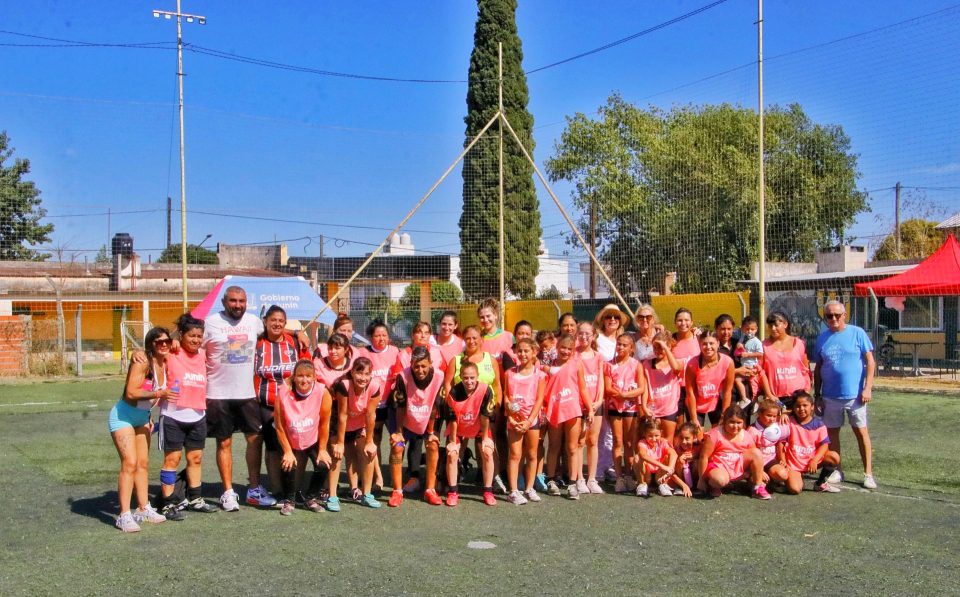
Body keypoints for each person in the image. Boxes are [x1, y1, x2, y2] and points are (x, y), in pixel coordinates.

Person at [202, 286, 267, 511]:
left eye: (241, 301)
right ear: (223, 301)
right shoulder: (209, 323)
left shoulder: (254, 322)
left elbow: (272, 331)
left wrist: (297, 334)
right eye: (233, 301)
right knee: (225, 442)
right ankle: (228, 492)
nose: (237, 305)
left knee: (254, 439)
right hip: (218, 394)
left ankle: (254, 489)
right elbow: (188, 344)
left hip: (246, 393)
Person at [109, 326, 174, 532]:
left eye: (167, 341)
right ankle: (124, 515)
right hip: (123, 417)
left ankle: (143, 508)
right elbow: (130, 392)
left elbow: (183, 341)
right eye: (158, 342)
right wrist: (159, 393)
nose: (164, 345)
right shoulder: (143, 361)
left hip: (143, 418)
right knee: (130, 463)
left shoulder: (166, 360)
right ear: (150, 345)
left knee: (143, 464)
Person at [157, 315, 218, 520]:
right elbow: (151, 348)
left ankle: (195, 499)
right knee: (172, 459)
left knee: (196, 458)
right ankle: (167, 503)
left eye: (199, 336)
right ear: (182, 335)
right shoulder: (171, 353)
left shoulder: (203, 355)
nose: (196, 340)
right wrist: (172, 339)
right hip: (173, 415)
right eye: (191, 336)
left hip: (197, 414)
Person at [813, 300, 877, 490]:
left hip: (855, 396)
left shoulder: (857, 333)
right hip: (830, 396)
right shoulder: (822, 338)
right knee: (832, 435)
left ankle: (868, 474)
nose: (833, 319)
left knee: (861, 433)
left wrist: (868, 388)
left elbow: (870, 362)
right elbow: (818, 368)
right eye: (829, 316)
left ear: (844, 315)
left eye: (836, 315)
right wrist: (817, 394)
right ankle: (837, 470)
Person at [252, 305, 311, 509]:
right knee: (273, 448)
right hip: (266, 405)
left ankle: (295, 489)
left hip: (294, 405)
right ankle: (277, 490)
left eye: (281, 321)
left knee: (298, 447)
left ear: (285, 324)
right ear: (266, 321)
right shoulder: (257, 343)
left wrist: (296, 333)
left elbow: (306, 369)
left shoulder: (294, 342)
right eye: (273, 320)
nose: (277, 324)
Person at [443, 324, 504, 492]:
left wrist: (496, 409)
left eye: (474, 338)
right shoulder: (456, 360)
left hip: (484, 412)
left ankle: (492, 481)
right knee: (457, 446)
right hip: (461, 413)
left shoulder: (490, 360)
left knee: (485, 446)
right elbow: (448, 384)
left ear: (481, 340)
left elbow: (497, 386)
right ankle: (453, 483)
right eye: (468, 338)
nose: (471, 341)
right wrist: (453, 406)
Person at [274, 360, 334, 515]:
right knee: (288, 463)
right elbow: (279, 426)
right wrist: (287, 451)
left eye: (308, 376)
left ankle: (310, 498)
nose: (304, 380)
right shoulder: (283, 392)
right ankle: (289, 500)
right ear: (294, 377)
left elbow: (324, 424)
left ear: (314, 377)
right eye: (300, 375)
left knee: (324, 464)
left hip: (312, 438)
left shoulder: (323, 392)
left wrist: (322, 449)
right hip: (290, 438)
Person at [387, 346, 445, 507]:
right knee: (397, 447)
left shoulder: (439, 376)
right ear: (411, 363)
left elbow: (435, 406)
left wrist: (432, 432)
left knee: (433, 445)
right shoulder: (402, 377)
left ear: (431, 363)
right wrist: (398, 432)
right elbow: (399, 406)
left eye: (424, 366)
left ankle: (430, 490)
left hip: (427, 418)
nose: (420, 370)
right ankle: (397, 491)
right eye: (416, 366)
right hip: (404, 418)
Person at [331, 357, 382, 508]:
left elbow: (370, 415)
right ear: (352, 372)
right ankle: (332, 496)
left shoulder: (374, 386)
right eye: (359, 373)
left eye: (367, 374)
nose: (363, 378)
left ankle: (366, 494)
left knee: (369, 452)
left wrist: (370, 441)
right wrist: (340, 443)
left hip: (359, 424)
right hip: (338, 422)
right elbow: (342, 415)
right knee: (337, 454)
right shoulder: (344, 385)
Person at [444, 361, 497, 506]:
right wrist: (453, 442)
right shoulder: (454, 392)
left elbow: (486, 416)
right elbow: (452, 419)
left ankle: (488, 491)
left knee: (487, 452)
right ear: (460, 376)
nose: (469, 381)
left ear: (478, 376)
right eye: (466, 378)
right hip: (459, 427)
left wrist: (486, 438)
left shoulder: (486, 390)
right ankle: (453, 491)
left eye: (472, 378)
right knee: (452, 454)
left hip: (479, 426)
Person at [503, 338, 547, 505]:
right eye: (519, 351)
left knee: (532, 454)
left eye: (526, 351)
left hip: (532, 421)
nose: (522, 354)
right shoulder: (510, 374)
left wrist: (529, 421)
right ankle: (513, 491)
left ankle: (529, 488)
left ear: (534, 352)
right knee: (515, 455)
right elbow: (507, 396)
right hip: (514, 422)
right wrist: (512, 417)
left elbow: (539, 399)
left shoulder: (540, 375)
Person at [358, 319, 399, 492]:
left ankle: (395, 475)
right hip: (371, 407)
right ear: (370, 337)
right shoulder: (362, 352)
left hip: (391, 407)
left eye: (384, 335)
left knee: (397, 443)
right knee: (373, 441)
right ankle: (378, 477)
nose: (381, 339)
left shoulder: (396, 351)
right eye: (377, 335)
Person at [543, 334, 586, 500]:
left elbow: (582, 389)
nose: (566, 351)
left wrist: (589, 408)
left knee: (572, 447)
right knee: (554, 445)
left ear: (573, 350)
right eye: (563, 347)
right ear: (557, 347)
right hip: (555, 410)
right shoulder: (548, 367)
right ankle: (551, 480)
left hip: (573, 410)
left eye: (569, 349)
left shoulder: (577, 365)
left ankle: (573, 483)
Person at [698, 405, 771, 500]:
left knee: (756, 453)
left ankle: (757, 488)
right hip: (720, 466)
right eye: (731, 422)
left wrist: (760, 472)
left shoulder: (746, 435)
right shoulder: (715, 434)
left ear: (743, 422)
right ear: (724, 421)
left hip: (739, 465)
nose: (735, 426)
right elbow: (704, 457)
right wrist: (701, 479)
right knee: (719, 480)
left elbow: (755, 455)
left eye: (739, 422)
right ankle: (714, 485)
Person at [605, 334, 646, 493]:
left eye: (624, 345)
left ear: (631, 348)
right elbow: (608, 388)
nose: (620, 347)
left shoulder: (636, 365)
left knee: (630, 443)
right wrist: (619, 395)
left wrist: (626, 396)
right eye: (619, 344)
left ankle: (629, 476)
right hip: (615, 407)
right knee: (617, 442)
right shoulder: (608, 365)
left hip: (630, 408)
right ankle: (619, 478)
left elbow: (641, 388)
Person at [780, 391, 841, 494]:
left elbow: (824, 445)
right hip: (794, 465)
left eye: (805, 405)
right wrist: (783, 460)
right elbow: (781, 443)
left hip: (811, 462)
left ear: (812, 407)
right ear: (793, 408)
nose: (801, 409)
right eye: (798, 406)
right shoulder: (788, 422)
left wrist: (814, 460)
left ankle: (820, 483)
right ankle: (787, 479)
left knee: (834, 457)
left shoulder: (819, 425)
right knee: (795, 489)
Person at [575, 321, 605, 494]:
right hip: (579, 405)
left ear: (593, 336)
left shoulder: (598, 356)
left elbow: (600, 379)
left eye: (588, 333)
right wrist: (586, 404)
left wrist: (599, 400)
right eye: (581, 333)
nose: (584, 337)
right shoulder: (573, 355)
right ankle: (579, 478)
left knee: (592, 441)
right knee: (580, 441)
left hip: (596, 404)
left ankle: (591, 478)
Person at [684, 331, 735, 433]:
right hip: (697, 405)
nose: (708, 347)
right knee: (697, 436)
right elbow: (690, 393)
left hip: (716, 404)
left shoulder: (728, 362)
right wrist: (694, 419)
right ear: (700, 345)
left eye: (711, 343)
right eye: (704, 344)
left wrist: (724, 415)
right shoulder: (692, 364)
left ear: (718, 343)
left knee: (717, 434)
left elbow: (727, 391)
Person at [761, 311, 811, 411]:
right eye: (770, 326)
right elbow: (761, 373)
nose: (773, 329)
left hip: (799, 396)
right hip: (776, 398)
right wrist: (769, 395)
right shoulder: (763, 346)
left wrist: (807, 392)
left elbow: (805, 369)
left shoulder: (799, 343)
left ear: (785, 324)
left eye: (776, 325)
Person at [644, 331, 684, 443]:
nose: (657, 351)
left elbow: (676, 368)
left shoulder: (677, 363)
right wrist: (644, 406)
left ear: (669, 346)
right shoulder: (647, 364)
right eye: (655, 347)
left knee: (667, 442)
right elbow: (646, 386)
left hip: (669, 409)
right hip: (653, 410)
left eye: (660, 348)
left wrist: (666, 347)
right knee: (652, 441)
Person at [748, 399, 791, 492]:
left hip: (770, 460)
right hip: (756, 464)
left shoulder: (776, 427)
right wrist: (759, 471)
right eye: (768, 415)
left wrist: (781, 459)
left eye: (774, 416)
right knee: (759, 485)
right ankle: (751, 479)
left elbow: (779, 443)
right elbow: (749, 453)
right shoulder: (752, 431)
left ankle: (771, 480)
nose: (772, 419)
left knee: (783, 475)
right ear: (759, 413)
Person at [633, 417, 679, 497]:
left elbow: (674, 453)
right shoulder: (642, 443)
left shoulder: (663, 442)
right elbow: (643, 455)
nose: (654, 439)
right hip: (647, 474)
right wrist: (663, 466)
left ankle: (663, 485)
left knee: (668, 456)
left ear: (661, 433)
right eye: (650, 436)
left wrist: (670, 469)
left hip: (660, 475)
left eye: (656, 435)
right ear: (644, 434)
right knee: (637, 457)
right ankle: (642, 484)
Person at [733, 315, 770, 412]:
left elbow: (760, 354)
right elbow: (738, 345)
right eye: (747, 329)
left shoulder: (756, 341)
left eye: (752, 329)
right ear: (742, 329)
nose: (749, 331)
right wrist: (739, 345)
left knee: (753, 386)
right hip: (743, 366)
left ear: (756, 329)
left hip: (751, 366)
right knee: (737, 380)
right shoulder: (743, 337)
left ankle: (755, 402)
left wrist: (748, 355)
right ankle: (745, 399)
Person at [669, 422, 701, 497]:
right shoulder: (676, 449)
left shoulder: (700, 447)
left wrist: (696, 455)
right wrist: (683, 485)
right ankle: (679, 486)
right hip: (681, 478)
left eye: (687, 438)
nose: (683, 441)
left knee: (699, 461)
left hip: (695, 477)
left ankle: (698, 485)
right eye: (681, 437)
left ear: (694, 437)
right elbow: (671, 471)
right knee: (679, 461)